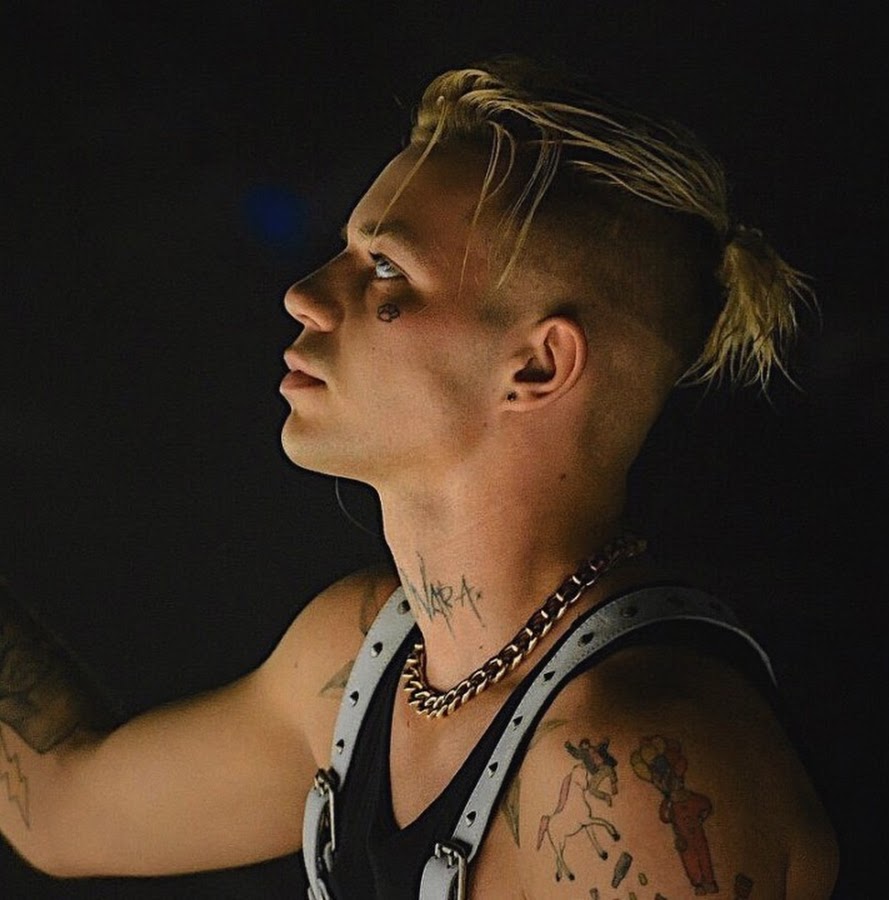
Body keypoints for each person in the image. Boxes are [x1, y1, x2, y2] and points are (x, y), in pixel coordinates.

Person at [1, 57, 838, 898]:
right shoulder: (361, 659)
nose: (303, 295)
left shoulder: (637, 776)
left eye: (387, 268)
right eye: (349, 252)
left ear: (537, 366)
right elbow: (62, 806)